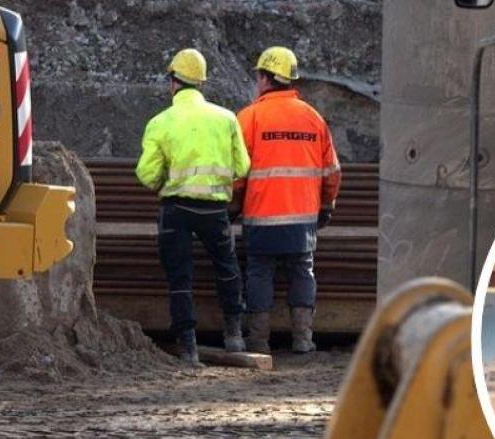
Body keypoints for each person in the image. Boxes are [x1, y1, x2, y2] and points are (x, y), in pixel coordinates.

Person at [136, 48, 250, 366]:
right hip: (214, 211)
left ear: (173, 82)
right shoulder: (226, 119)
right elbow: (242, 167)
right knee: (227, 269)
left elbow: (145, 173)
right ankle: (234, 335)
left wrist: (163, 182)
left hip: (176, 210)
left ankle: (188, 347)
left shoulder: (160, 122)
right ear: (201, 83)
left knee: (180, 277)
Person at [233, 46, 341, 355]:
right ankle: (303, 338)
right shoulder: (313, 118)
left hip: (262, 218)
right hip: (303, 219)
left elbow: (237, 172)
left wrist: (235, 204)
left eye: (258, 76)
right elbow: (332, 171)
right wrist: (326, 205)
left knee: (259, 272)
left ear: (266, 78)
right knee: (302, 271)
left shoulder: (250, 117)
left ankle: (257, 340)